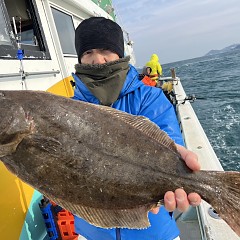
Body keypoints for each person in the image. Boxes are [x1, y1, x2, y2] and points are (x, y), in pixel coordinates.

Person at [72, 17, 201, 240]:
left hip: (153, 230)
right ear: (80, 58)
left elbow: (169, 140)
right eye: (88, 52)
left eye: (106, 50)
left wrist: (175, 159)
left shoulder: (149, 98)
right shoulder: (70, 109)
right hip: (93, 231)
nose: (97, 60)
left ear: (120, 54)